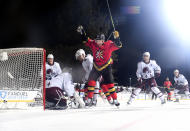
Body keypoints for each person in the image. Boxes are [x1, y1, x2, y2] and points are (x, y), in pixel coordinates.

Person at [77, 25, 122, 107]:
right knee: (91, 81)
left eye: (99, 40)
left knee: (110, 84)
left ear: (103, 41)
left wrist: (117, 38)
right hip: (96, 66)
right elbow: (86, 40)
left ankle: (115, 99)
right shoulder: (94, 44)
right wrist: (82, 33)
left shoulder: (109, 44)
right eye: (96, 40)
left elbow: (118, 45)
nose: (97, 42)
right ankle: (90, 99)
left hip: (106, 67)